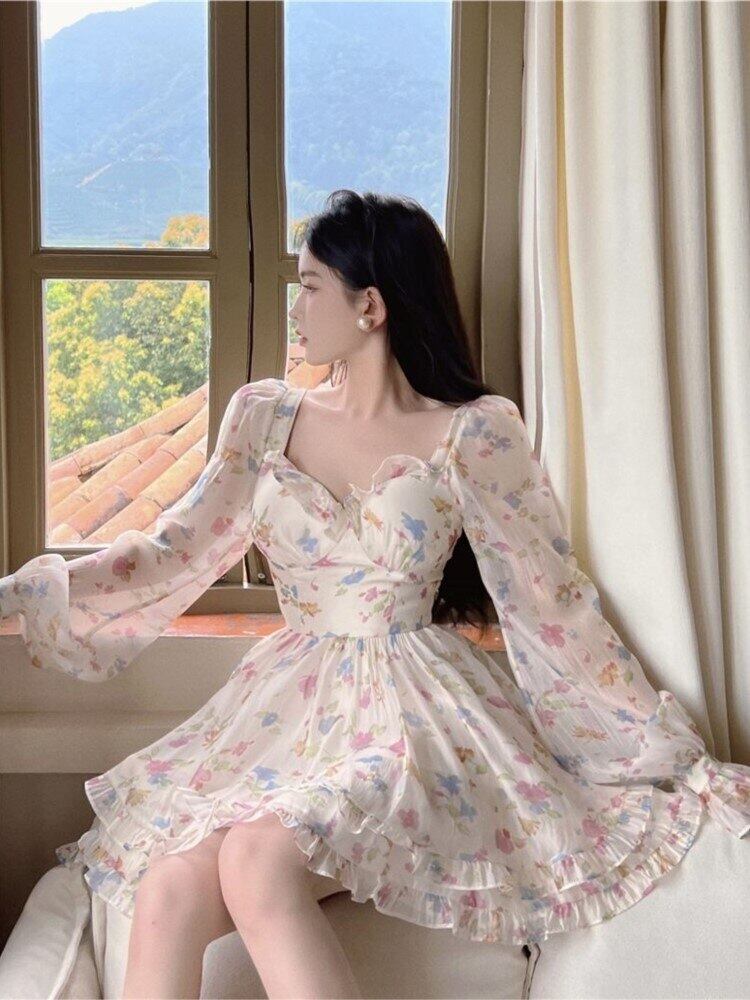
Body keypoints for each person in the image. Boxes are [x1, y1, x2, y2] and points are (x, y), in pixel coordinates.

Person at [1, 189, 748, 999]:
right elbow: (173, 552)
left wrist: (655, 741)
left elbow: (551, 602)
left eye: (310, 285)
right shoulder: (263, 419)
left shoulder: (474, 430)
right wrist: (19, 596)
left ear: (371, 305)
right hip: (288, 712)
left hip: (413, 721)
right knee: (169, 889)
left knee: (257, 860)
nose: (296, 308)